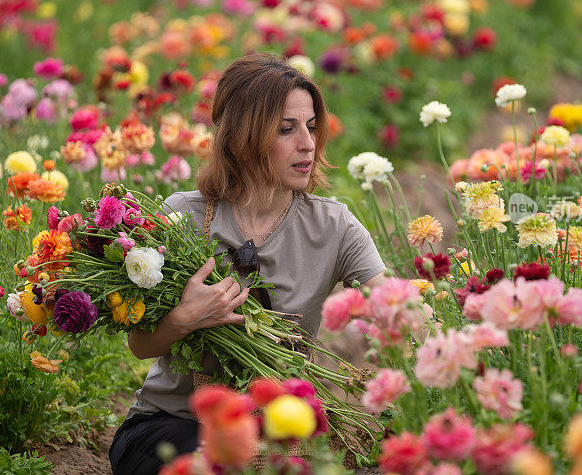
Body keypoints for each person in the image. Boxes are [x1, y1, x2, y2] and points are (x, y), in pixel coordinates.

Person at [109, 53, 387, 474]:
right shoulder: (181, 217)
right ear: (241, 139)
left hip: (272, 434)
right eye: (286, 129)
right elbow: (140, 346)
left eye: (311, 127)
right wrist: (187, 317)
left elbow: (394, 304)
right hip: (171, 426)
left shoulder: (333, 226)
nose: (307, 143)